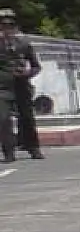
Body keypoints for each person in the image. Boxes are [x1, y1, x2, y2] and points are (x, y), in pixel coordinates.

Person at [0, 9, 43, 162]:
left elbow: (36, 66)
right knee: (3, 119)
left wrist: (26, 73)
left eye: (10, 25)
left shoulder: (24, 44)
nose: (6, 29)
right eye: (3, 25)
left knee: (27, 118)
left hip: (21, 85)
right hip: (3, 88)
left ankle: (33, 148)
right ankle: (8, 152)